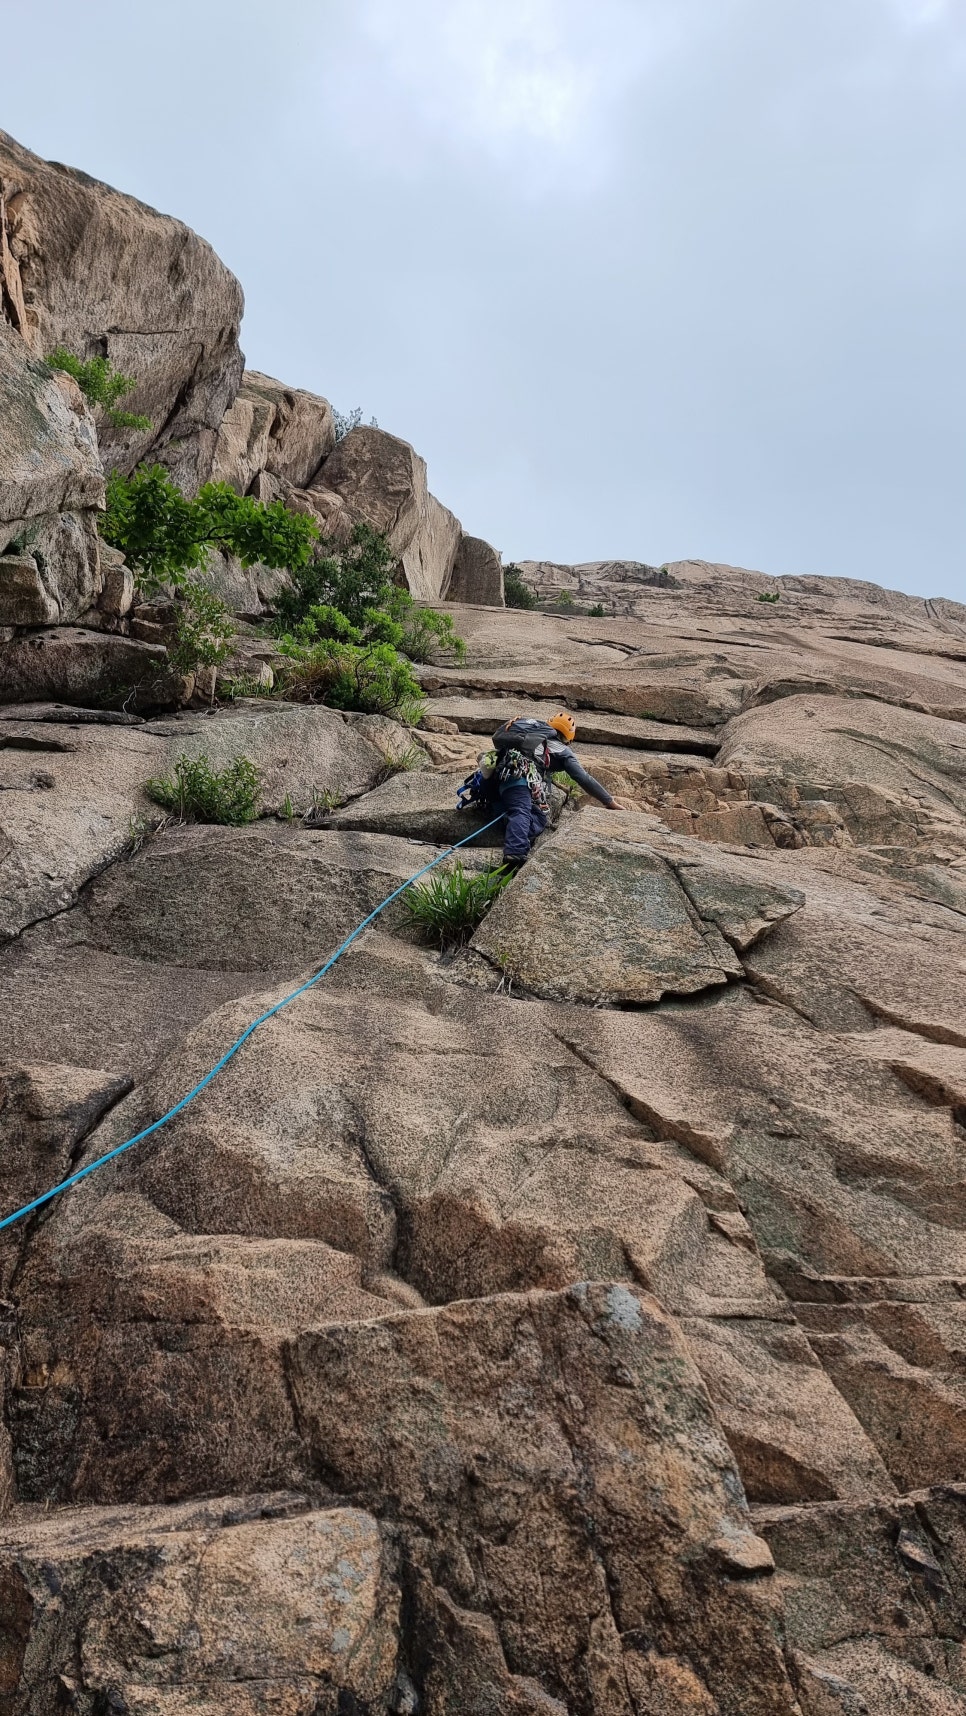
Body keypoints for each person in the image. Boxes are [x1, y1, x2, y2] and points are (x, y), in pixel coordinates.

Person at [484, 711, 623, 868]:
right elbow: (583, 778)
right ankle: (514, 853)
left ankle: (506, 822)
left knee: (532, 815)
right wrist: (609, 801)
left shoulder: (532, 734)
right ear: (567, 738)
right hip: (517, 779)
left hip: (493, 779)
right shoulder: (561, 749)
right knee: (523, 811)